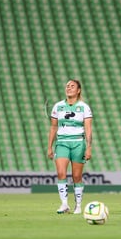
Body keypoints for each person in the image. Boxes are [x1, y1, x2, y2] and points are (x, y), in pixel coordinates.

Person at [47, 79, 93, 214]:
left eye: (72, 86)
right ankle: (64, 204)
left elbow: (88, 129)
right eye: (67, 86)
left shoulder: (84, 107)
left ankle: (78, 205)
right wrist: (49, 146)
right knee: (61, 173)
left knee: (76, 176)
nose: (69, 88)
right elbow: (53, 127)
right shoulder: (58, 106)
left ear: (78, 90)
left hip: (78, 143)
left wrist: (89, 147)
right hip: (61, 142)